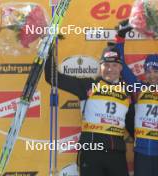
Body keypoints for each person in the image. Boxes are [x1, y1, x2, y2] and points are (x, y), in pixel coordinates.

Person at [44, 44, 135, 176]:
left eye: (114, 65)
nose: (110, 69)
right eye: (106, 65)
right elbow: (52, 77)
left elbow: (132, 125)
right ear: (100, 66)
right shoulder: (88, 85)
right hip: (91, 152)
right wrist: (50, 48)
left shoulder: (126, 92)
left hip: (117, 154)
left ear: (121, 67)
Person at [114, 21, 158, 176]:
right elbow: (122, 65)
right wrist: (120, 37)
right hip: (141, 153)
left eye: (156, 71)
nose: (152, 75)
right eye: (148, 71)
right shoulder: (139, 87)